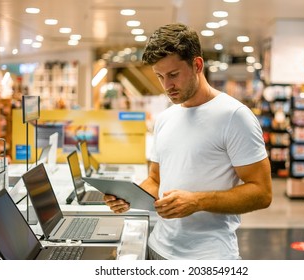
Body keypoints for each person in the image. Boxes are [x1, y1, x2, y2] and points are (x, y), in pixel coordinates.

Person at [104, 23, 272, 260]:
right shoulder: (165, 118)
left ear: (197, 65)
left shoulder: (234, 116)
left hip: (208, 257)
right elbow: (155, 179)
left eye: (173, 75)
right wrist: (130, 198)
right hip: (158, 248)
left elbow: (262, 192)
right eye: (160, 77)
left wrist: (197, 201)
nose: (167, 86)